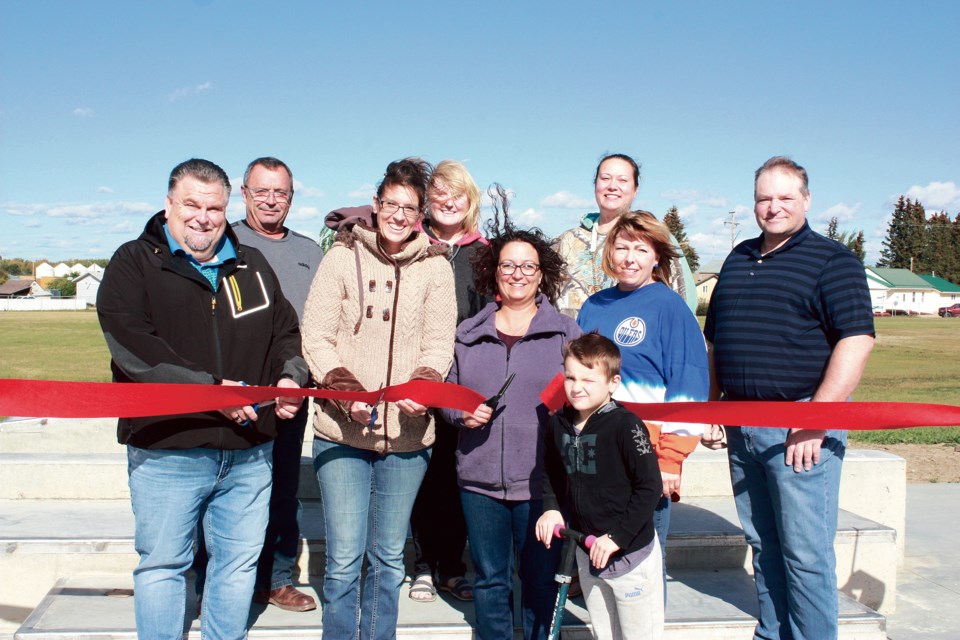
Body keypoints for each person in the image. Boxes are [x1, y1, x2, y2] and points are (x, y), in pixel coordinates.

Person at [96, 158, 307, 640]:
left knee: (236, 568)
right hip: (168, 451)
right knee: (164, 567)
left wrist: (290, 378)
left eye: (214, 207)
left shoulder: (250, 266)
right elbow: (135, 349)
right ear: (169, 203)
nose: (203, 217)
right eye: (191, 204)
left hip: (249, 452)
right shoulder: (134, 263)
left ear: (226, 209)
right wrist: (210, 391)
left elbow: (285, 334)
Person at [702, 156, 875, 640]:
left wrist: (815, 418)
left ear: (806, 200)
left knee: (805, 554)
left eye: (784, 197)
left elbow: (857, 339)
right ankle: (773, 633)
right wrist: (714, 406)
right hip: (740, 424)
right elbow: (716, 340)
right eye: (764, 198)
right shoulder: (737, 258)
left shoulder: (832, 260)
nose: (773, 207)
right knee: (764, 544)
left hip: (801, 429)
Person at [301, 157, 456, 640]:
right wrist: (348, 394)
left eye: (410, 208)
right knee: (345, 559)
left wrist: (423, 388)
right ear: (376, 204)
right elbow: (316, 337)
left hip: (407, 439)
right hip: (342, 434)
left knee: (389, 559)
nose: (399, 215)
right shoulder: (341, 257)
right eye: (392, 204)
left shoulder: (436, 267)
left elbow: (438, 343)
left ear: (421, 214)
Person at [440, 188, 582, 640]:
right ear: (492, 272)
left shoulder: (565, 333)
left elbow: (587, 397)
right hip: (478, 481)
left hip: (540, 486)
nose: (517, 274)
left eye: (527, 266)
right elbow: (446, 391)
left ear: (542, 275)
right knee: (489, 581)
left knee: (539, 582)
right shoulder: (468, 333)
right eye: (507, 265)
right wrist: (460, 414)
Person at [575, 211, 709, 601]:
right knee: (599, 563)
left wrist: (671, 457)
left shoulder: (670, 308)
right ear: (609, 253)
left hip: (644, 457)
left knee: (643, 570)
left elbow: (689, 385)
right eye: (621, 247)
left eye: (640, 248)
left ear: (656, 257)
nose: (629, 257)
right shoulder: (594, 306)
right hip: (595, 457)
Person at [218, 157, 323, 611]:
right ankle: (220, 581)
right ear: (243, 193)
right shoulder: (224, 242)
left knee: (281, 486)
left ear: (292, 198)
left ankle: (278, 577)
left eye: (280, 192)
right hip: (234, 389)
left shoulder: (310, 252)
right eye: (262, 191)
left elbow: (317, 324)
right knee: (228, 491)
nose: (271, 200)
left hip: (291, 387)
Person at [537, 333, 664, 640]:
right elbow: (550, 472)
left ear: (613, 382)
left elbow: (649, 487)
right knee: (604, 632)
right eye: (570, 377)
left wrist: (617, 536)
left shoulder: (626, 425)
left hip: (629, 552)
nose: (576, 387)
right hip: (587, 547)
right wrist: (551, 509)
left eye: (588, 380)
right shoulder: (559, 423)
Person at [408, 160, 488, 603]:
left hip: (464, 381)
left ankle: (453, 566)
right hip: (418, 377)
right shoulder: (411, 245)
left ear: (469, 200)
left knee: (455, 475)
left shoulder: (483, 254)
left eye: (456, 193)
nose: (448, 200)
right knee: (424, 475)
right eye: (438, 192)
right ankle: (423, 564)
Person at [555, 153, 697, 316]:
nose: (612, 186)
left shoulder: (655, 236)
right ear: (595, 184)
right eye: (605, 178)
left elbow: (684, 304)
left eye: (622, 180)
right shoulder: (566, 240)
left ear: (635, 189)